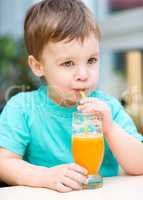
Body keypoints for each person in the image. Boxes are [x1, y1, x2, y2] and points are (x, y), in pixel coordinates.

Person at [0, 0, 143, 193]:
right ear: (37, 66)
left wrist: (109, 128)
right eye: (68, 63)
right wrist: (45, 177)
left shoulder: (107, 107)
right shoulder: (23, 108)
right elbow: (4, 162)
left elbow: (139, 165)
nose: (83, 74)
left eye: (91, 60)